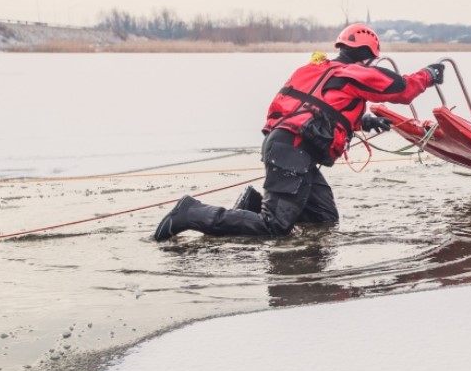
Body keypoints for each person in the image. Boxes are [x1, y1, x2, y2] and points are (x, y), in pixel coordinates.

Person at [153, 23, 445, 241]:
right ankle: (190, 213)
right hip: (292, 151)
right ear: (368, 58)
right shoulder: (354, 73)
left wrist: (361, 121)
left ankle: (251, 205)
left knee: (323, 220)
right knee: (274, 227)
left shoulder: (315, 71)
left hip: (286, 146)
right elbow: (403, 90)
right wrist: (429, 75)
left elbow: (316, 110)